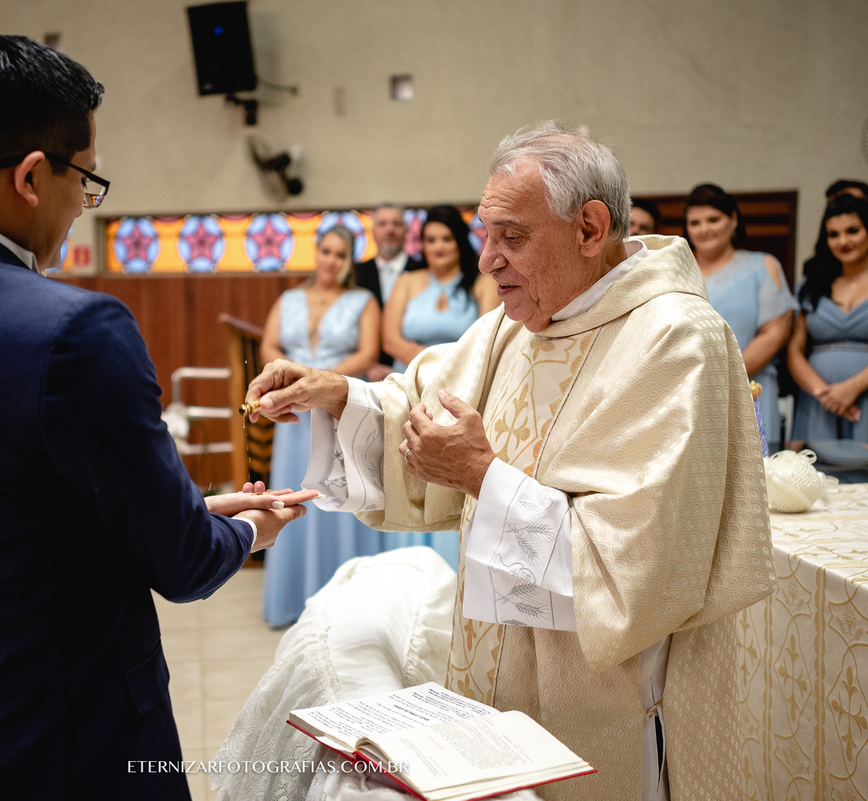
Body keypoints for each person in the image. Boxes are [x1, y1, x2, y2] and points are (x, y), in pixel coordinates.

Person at [0, 37, 311, 801]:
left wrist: (186, 511)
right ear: (30, 176)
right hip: (82, 750)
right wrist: (249, 528)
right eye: (84, 178)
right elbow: (181, 563)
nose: (83, 202)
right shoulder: (75, 330)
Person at [245, 122, 775, 801]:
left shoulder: (675, 339)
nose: (489, 260)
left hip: (615, 702)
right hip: (499, 681)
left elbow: (639, 567)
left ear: (589, 228)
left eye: (512, 237)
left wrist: (478, 476)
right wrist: (338, 391)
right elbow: (419, 399)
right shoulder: (515, 322)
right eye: (484, 235)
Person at [259, 225, 382, 627]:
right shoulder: (289, 298)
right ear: (317, 253)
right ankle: (295, 599)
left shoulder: (362, 301)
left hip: (336, 408)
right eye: (326, 251)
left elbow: (366, 353)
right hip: (293, 413)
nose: (331, 261)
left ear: (349, 261)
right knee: (295, 493)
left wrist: (317, 381)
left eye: (340, 255)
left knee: (335, 494)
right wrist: (293, 383)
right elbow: (269, 346)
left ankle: (344, 603)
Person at [684, 183, 796, 450]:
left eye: (713, 219)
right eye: (695, 222)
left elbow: (775, 333)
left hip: (749, 388)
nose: (704, 229)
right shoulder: (678, 270)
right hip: (687, 392)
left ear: (734, 219)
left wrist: (723, 378)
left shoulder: (762, 265)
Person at [789, 193, 868, 442]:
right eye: (833, 234)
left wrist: (852, 388)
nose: (843, 241)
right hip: (817, 403)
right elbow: (794, 349)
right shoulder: (812, 284)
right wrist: (824, 394)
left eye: (852, 230)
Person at [382, 205, 499, 372]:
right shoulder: (405, 281)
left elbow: (487, 340)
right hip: (409, 376)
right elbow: (390, 341)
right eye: (431, 240)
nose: (439, 247)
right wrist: (431, 362)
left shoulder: (483, 282)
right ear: (422, 244)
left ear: (460, 241)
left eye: (447, 239)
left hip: (462, 376)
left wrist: (446, 367)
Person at [354, 203, 423, 381]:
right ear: (373, 231)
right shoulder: (356, 273)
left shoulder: (423, 269)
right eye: (383, 224)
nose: (390, 230)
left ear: (407, 230)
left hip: (413, 368)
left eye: (396, 224)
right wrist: (366, 366)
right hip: (366, 371)